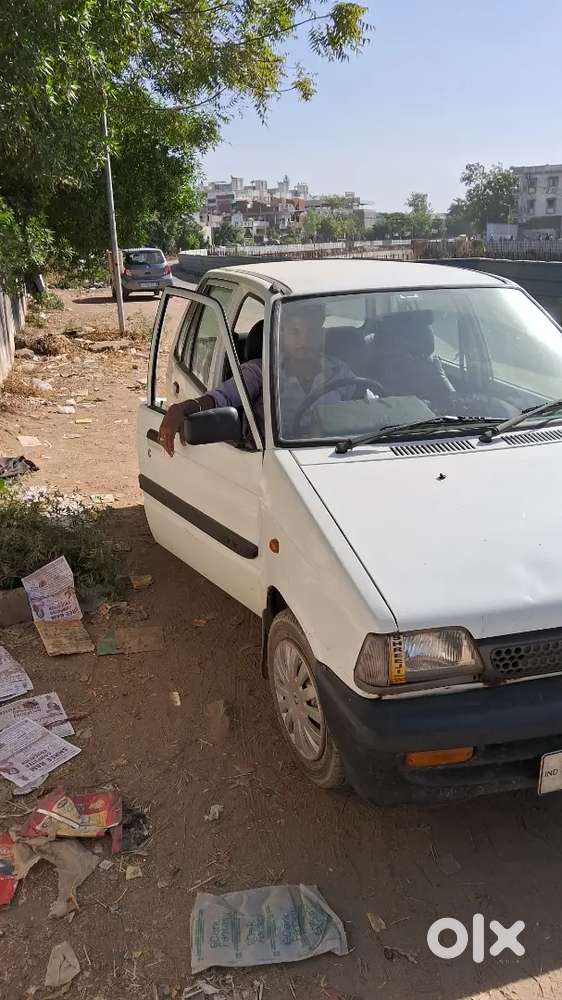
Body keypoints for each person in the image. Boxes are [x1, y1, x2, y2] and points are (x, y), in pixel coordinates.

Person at [158, 311, 358, 455]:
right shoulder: (259, 372)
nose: (304, 341)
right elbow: (222, 398)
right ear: (280, 334)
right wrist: (182, 409)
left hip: (334, 455)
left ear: (322, 334)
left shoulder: (340, 371)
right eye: (295, 332)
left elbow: (364, 409)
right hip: (277, 461)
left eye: (312, 332)